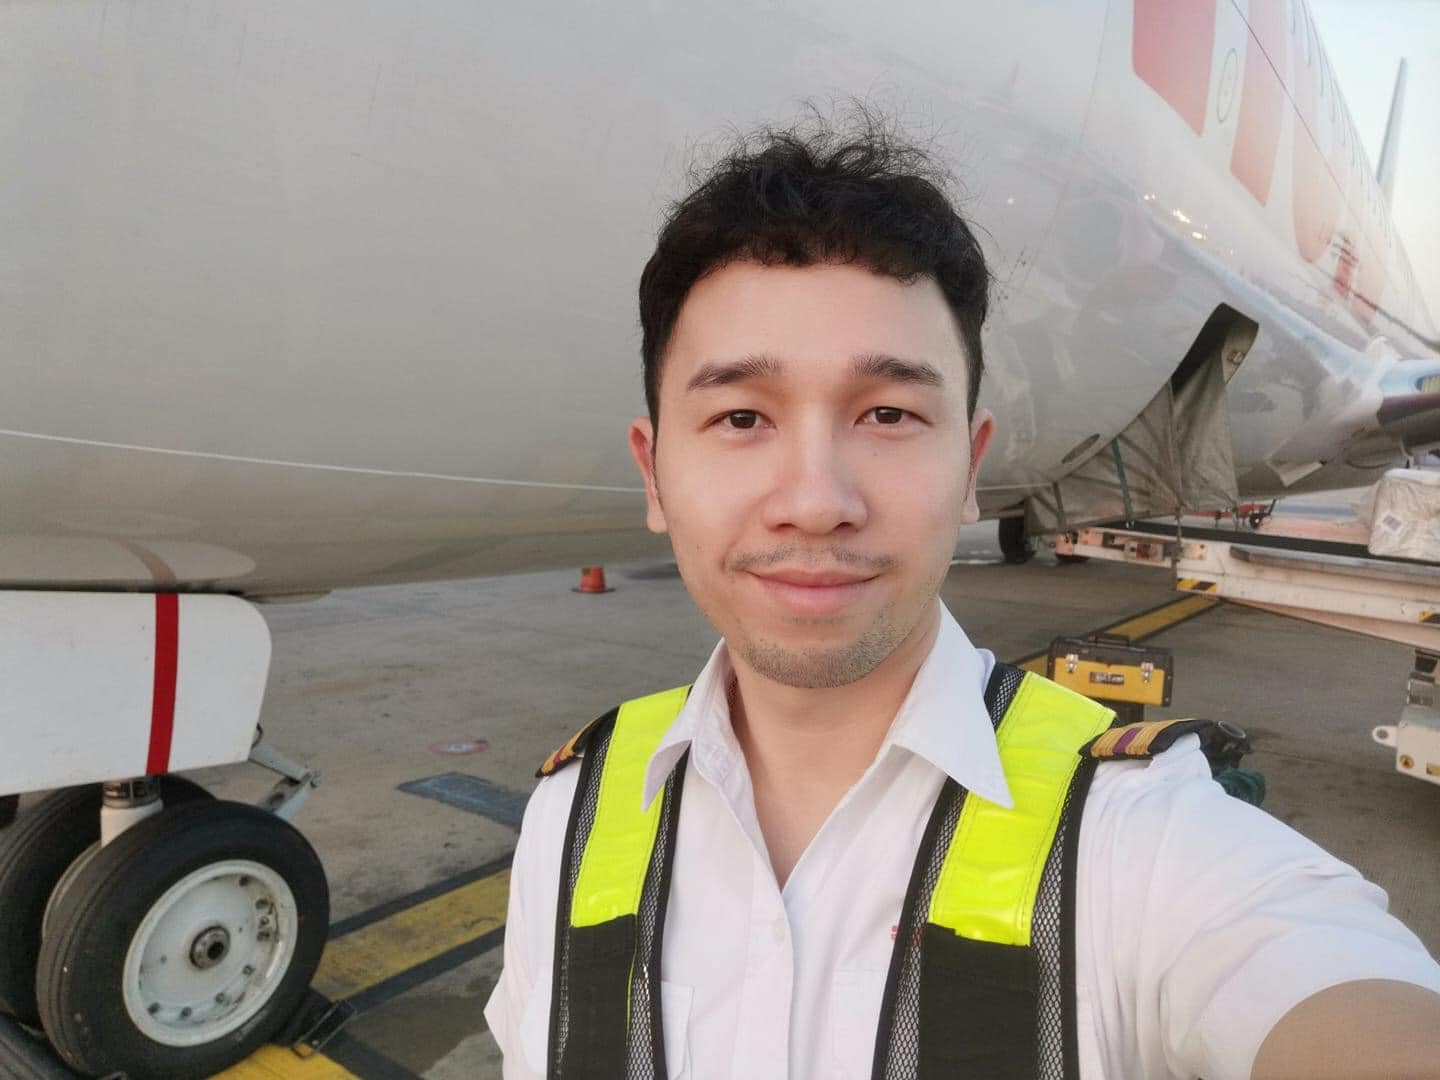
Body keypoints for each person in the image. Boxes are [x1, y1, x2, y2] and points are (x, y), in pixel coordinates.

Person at [484, 111, 1440, 1079]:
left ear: (972, 464)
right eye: (739, 417)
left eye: (888, 413)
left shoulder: (1141, 836)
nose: (815, 501)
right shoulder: (568, 822)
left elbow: (1319, 976)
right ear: (653, 473)